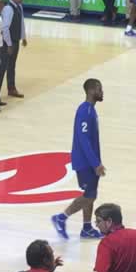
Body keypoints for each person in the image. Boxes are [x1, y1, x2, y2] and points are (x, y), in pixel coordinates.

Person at [53, 79, 104, 240]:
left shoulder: (91, 110)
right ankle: (61, 218)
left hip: (90, 160)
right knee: (89, 196)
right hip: (85, 162)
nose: (102, 92)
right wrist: (95, 163)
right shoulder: (84, 111)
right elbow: (83, 140)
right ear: (91, 91)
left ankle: (87, 228)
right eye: (99, 89)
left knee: (91, 193)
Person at [1, 0, 28, 99]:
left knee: (11, 66)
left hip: (15, 40)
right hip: (9, 42)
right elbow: (5, 28)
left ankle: (11, 88)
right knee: (3, 66)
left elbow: (21, 23)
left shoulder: (19, 7)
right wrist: (9, 44)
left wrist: (23, 37)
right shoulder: (8, 9)